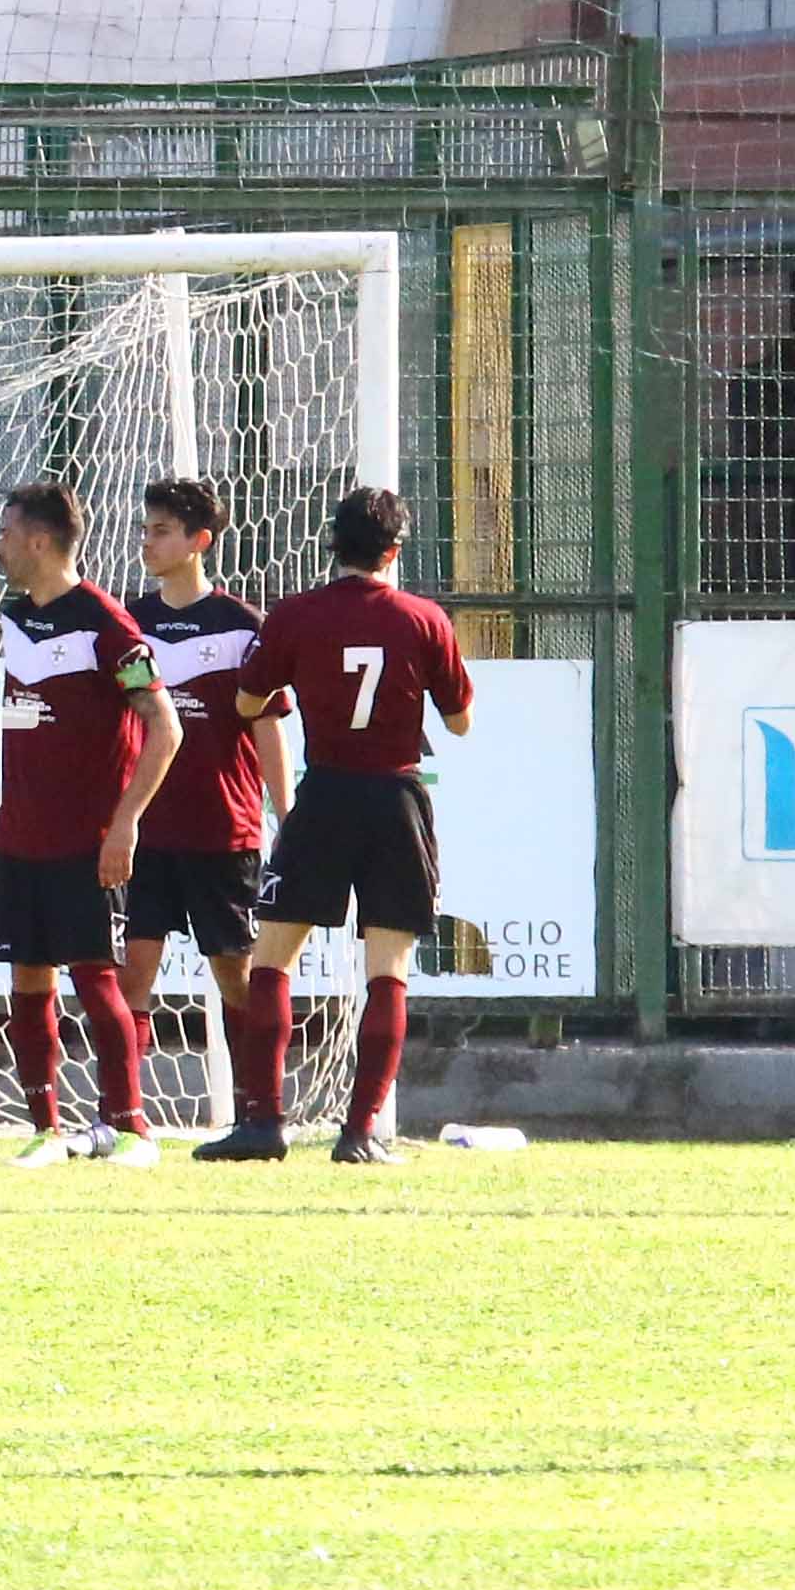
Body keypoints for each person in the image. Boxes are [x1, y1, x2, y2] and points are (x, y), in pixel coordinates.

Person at [217, 484, 477, 1167]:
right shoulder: (424, 619)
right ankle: (360, 1133)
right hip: (395, 800)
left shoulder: (296, 615)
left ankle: (262, 1122)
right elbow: (459, 722)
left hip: (325, 794)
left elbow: (247, 701)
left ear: (333, 544)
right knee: (387, 969)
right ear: (395, 550)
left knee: (272, 958)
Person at [0, 481, 178, 1169]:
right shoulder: (14, 618)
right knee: (27, 979)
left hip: (86, 837)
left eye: (6, 533)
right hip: (19, 832)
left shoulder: (107, 625)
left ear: (39, 542)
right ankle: (46, 1130)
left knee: (96, 976)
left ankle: (132, 1129)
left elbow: (166, 728)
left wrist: (126, 825)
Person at [112, 475, 287, 1117]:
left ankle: (256, 1109)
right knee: (133, 973)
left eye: (161, 531)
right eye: (146, 530)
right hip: (147, 833)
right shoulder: (131, 624)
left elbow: (267, 728)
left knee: (236, 976)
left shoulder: (242, 626)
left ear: (199, 541)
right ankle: (124, 1116)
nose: (147, 542)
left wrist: (287, 818)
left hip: (224, 830)